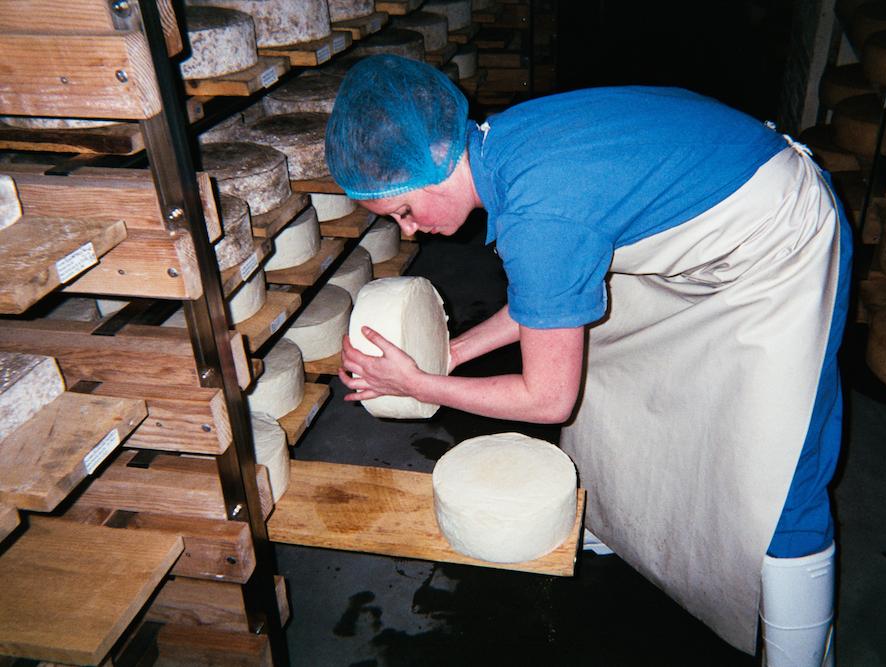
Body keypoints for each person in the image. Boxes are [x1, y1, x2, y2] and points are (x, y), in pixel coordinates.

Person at [326, 54, 851, 666]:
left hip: (778, 241)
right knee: (613, 381)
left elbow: (547, 398)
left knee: (781, 468)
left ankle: (800, 658)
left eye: (404, 212)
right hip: (702, 220)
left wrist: (423, 385)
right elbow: (544, 303)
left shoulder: (541, 217)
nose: (409, 232)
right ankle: (620, 528)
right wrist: (449, 355)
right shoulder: (500, 146)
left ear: (434, 168)